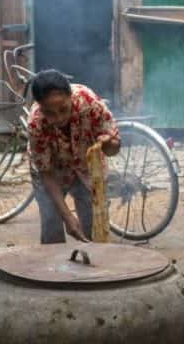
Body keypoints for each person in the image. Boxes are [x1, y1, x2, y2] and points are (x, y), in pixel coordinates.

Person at [26, 70, 120, 244]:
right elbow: (46, 173)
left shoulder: (90, 103)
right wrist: (67, 216)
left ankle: (95, 258)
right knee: (52, 224)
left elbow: (113, 149)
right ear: (40, 106)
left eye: (64, 109)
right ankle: (53, 259)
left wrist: (109, 144)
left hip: (86, 168)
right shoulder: (35, 123)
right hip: (52, 174)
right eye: (50, 113)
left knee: (94, 226)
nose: (59, 118)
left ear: (71, 96)